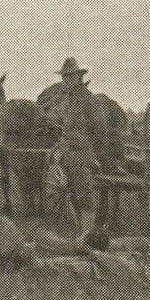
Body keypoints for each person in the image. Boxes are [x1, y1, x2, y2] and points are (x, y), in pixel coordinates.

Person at [45, 58, 110, 246]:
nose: (66, 80)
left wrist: (94, 155)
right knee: (71, 191)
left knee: (84, 195)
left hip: (81, 153)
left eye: (70, 76)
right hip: (68, 152)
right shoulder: (70, 98)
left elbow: (100, 129)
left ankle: (87, 236)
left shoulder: (88, 99)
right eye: (64, 77)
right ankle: (76, 232)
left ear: (78, 77)